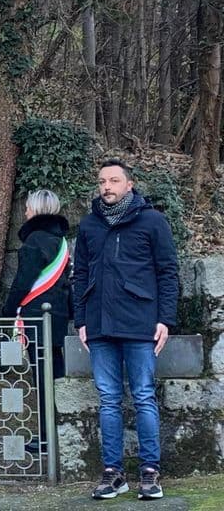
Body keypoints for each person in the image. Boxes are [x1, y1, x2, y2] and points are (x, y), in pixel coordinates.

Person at [74, 159, 178, 501]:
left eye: (114, 180)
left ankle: (150, 471)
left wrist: (165, 319)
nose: (107, 186)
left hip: (140, 322)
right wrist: (81, 320)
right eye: (102, 181)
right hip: (99, 324)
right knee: (108, 400)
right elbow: (80, 274)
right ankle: (113, 473)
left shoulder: (152, 221)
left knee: (144, 396)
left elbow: (167, 272)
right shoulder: (89, 224)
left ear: (129, 185)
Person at [2, 189, 71, 456]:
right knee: (56, 378)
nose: (26, 211)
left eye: (29, 207)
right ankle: (61, 431)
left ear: (37, 210)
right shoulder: (60, 241)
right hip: (57, 317)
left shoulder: (34, 241)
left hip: (35, 319)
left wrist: (9, 312)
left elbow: (23, 282)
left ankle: (46, 438)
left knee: (43, 381)